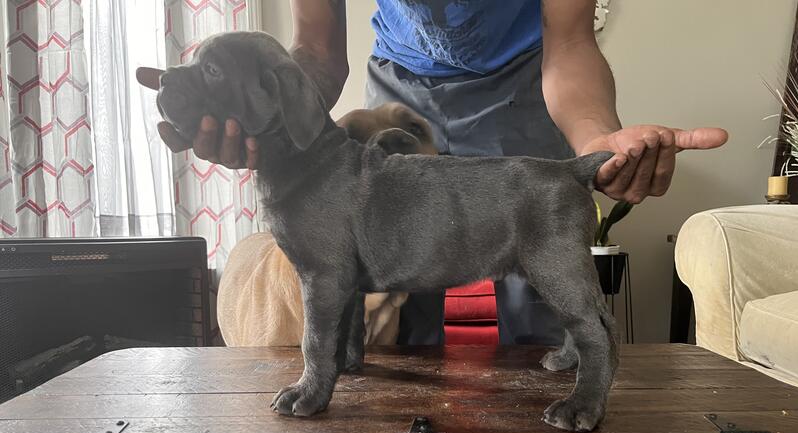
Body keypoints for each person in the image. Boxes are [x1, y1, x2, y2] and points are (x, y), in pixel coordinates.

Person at [138, 0, 728, 345]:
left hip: (522, 90)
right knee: (391, 319)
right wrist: (267, 127)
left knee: (546, 316)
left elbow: (571, 43)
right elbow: (315, 51)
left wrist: (595, 139)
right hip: (397, 87)